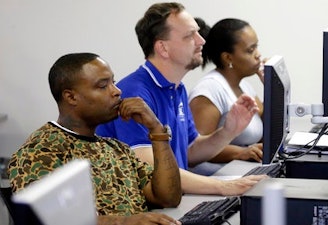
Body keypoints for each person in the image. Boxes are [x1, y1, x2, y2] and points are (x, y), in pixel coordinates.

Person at [96, 2, 266, 195]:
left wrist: (229, 131)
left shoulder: (177, 88)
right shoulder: (134, 93)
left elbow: (190, 151)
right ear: (163, 48)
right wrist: (223, 186)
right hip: (149, 212)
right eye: (190, 35)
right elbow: (151, 168)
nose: (201, 40)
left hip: (175, 201)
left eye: (198, 33)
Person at [8, 53, 182, 225]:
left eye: (113, 82)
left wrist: (157, 130)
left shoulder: (116, 149)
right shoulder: (40, 151)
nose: (117, 91)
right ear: (71, 97)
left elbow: (168, 198)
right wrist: (124, 222)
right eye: (102, 86)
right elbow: (46, 219)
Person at [188, 18, 266, 173]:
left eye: (256, 47)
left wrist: (271, 85)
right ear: (228, 58)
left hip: (241, 172)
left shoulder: (243, 85)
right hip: (213, 179)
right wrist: (240, 153)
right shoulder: (210, 90)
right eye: (250, 50)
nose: (258, 55)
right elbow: (195, 150)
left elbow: (267, 130)